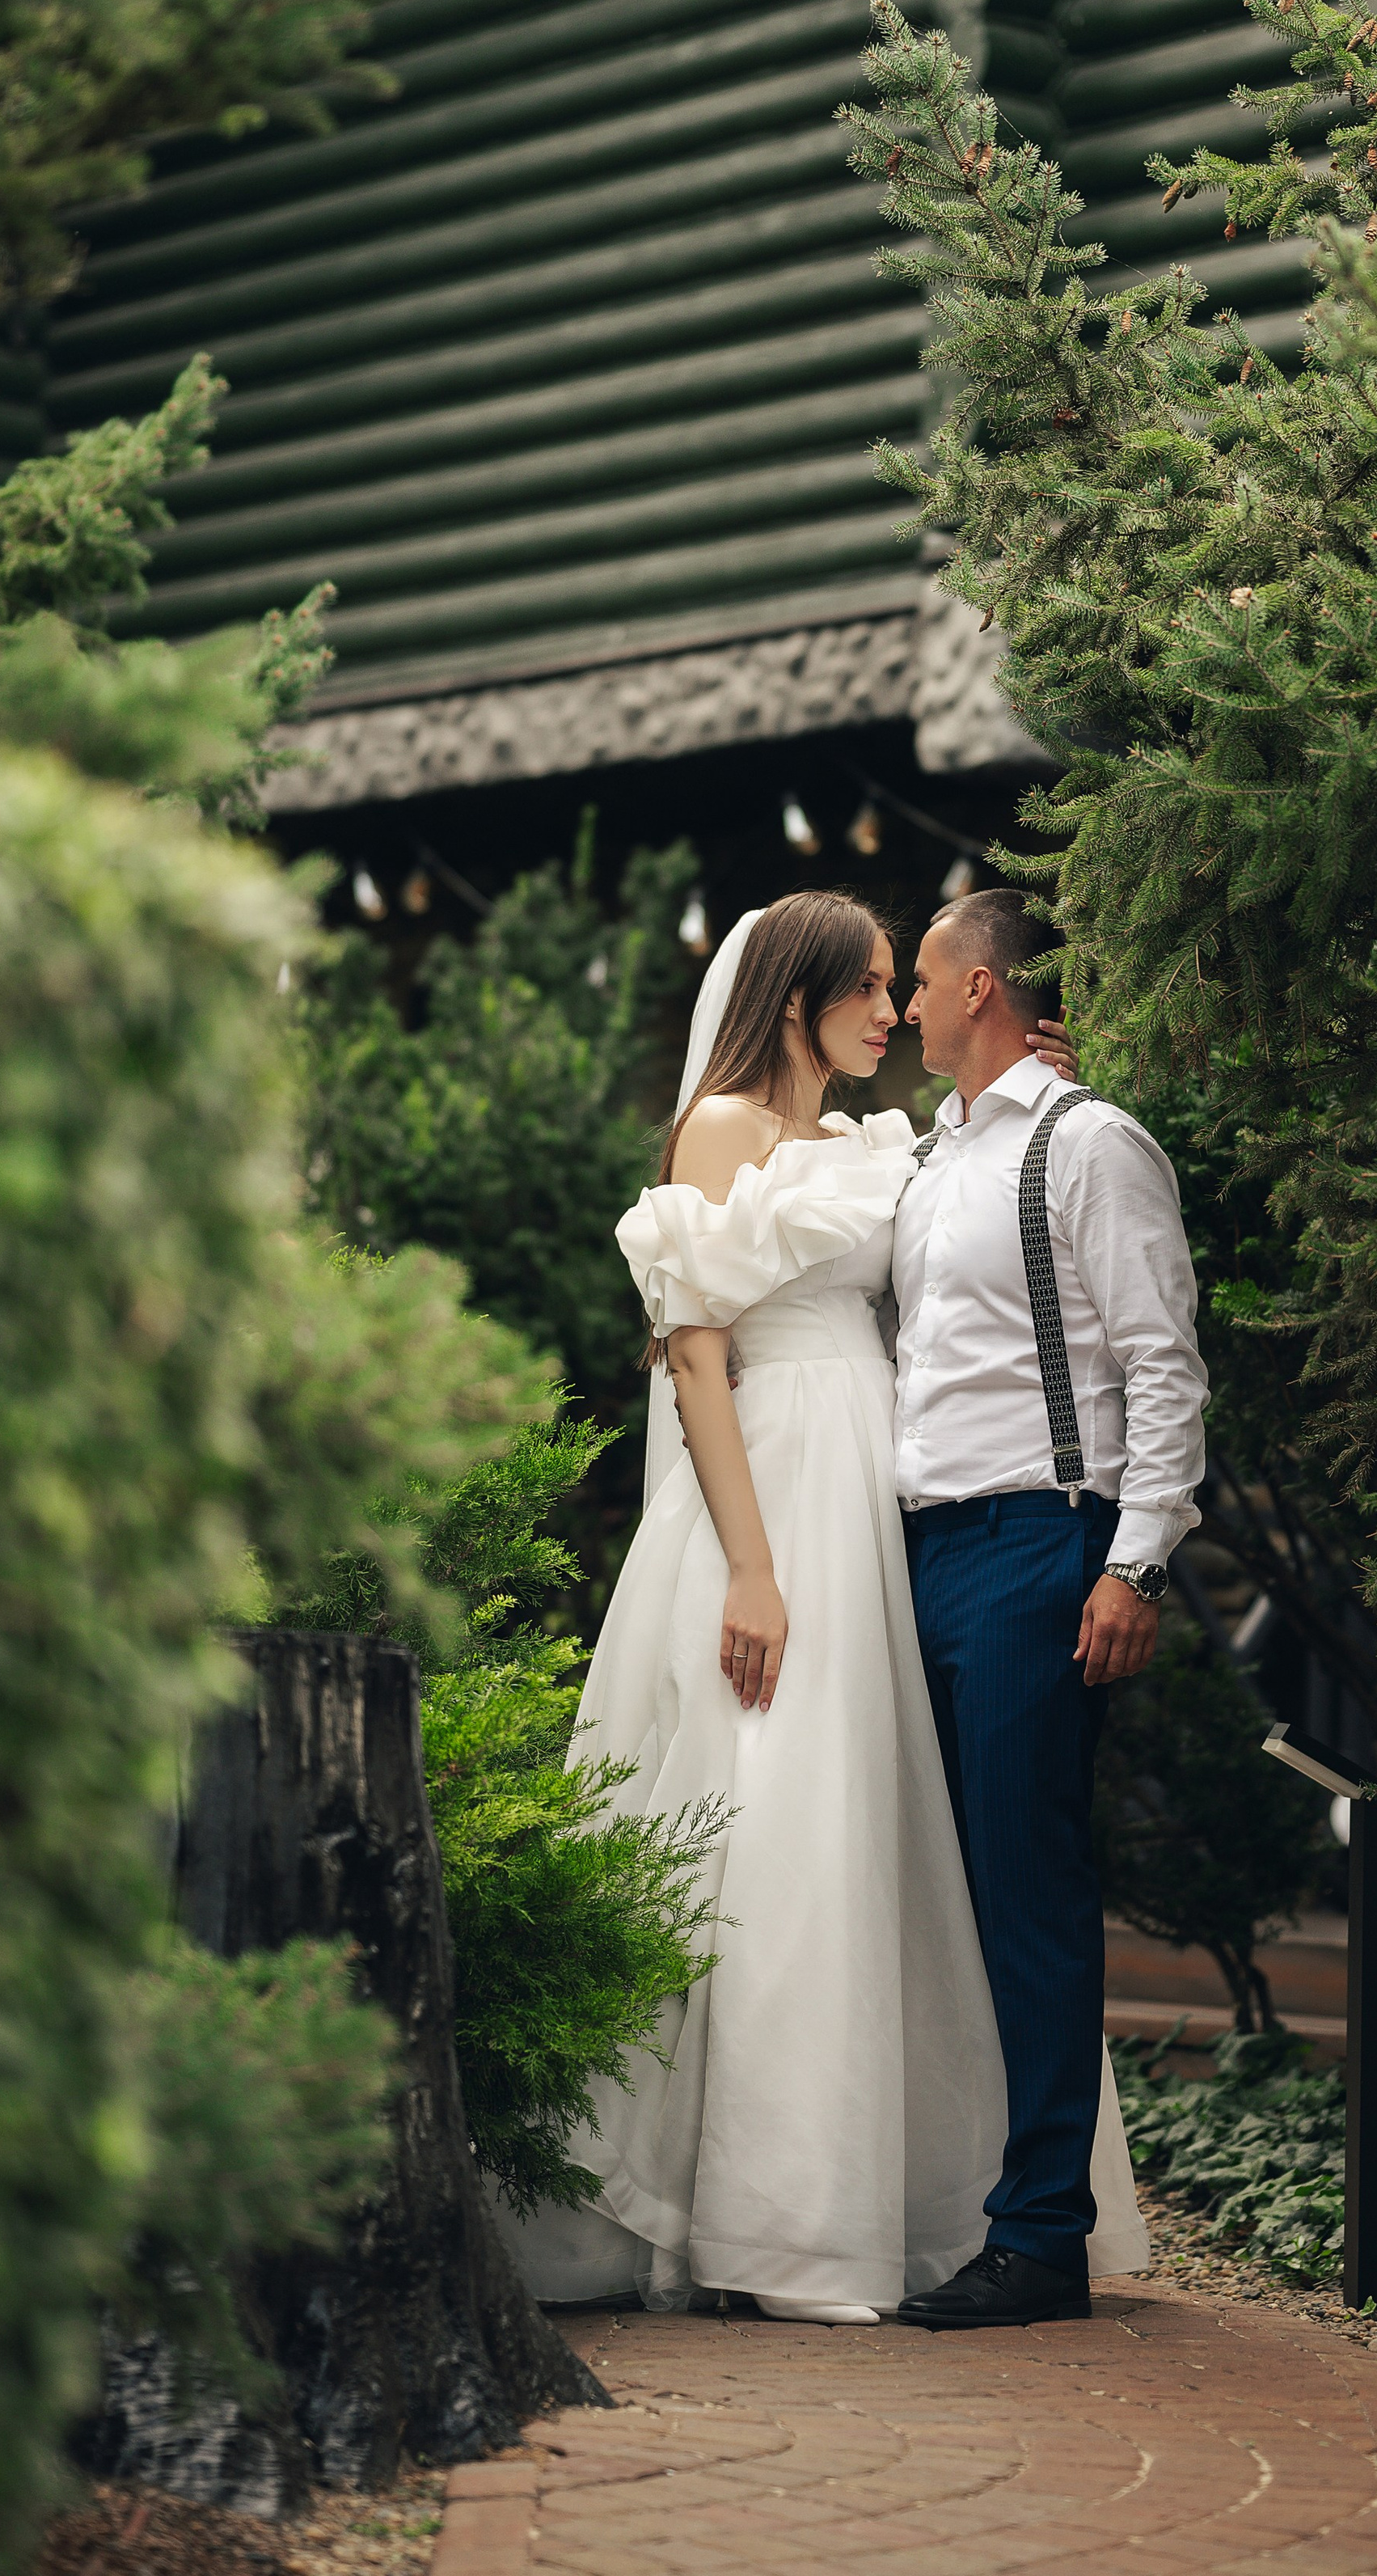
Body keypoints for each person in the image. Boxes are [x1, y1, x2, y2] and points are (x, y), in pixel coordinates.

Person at [495, 889, 1148, 2327]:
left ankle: (890, 2192)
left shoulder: (869, 1148)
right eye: (866, 987)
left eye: (903, 985)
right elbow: (696, 1359)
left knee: (868, 1825)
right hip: (775, 1491)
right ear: (797, 998)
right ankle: (753, 2214)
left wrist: (1044, 1074)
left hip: (876, 1497)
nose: (892, 1013)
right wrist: (749, 1564)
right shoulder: (722, 1129)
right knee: (764, 1816)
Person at [893, 886, 1207, 2330]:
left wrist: (1136, 1562)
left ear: (978, 990)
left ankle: (1040, 2239)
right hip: (914, 1553)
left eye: (922, 978)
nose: (902, 1004)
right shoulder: (930, 1157)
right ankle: (951, 2200)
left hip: (1037, 1546)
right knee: (940, 1895)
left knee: (1027, 1891)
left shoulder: (1089, 1145)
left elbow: (1162, 1361)